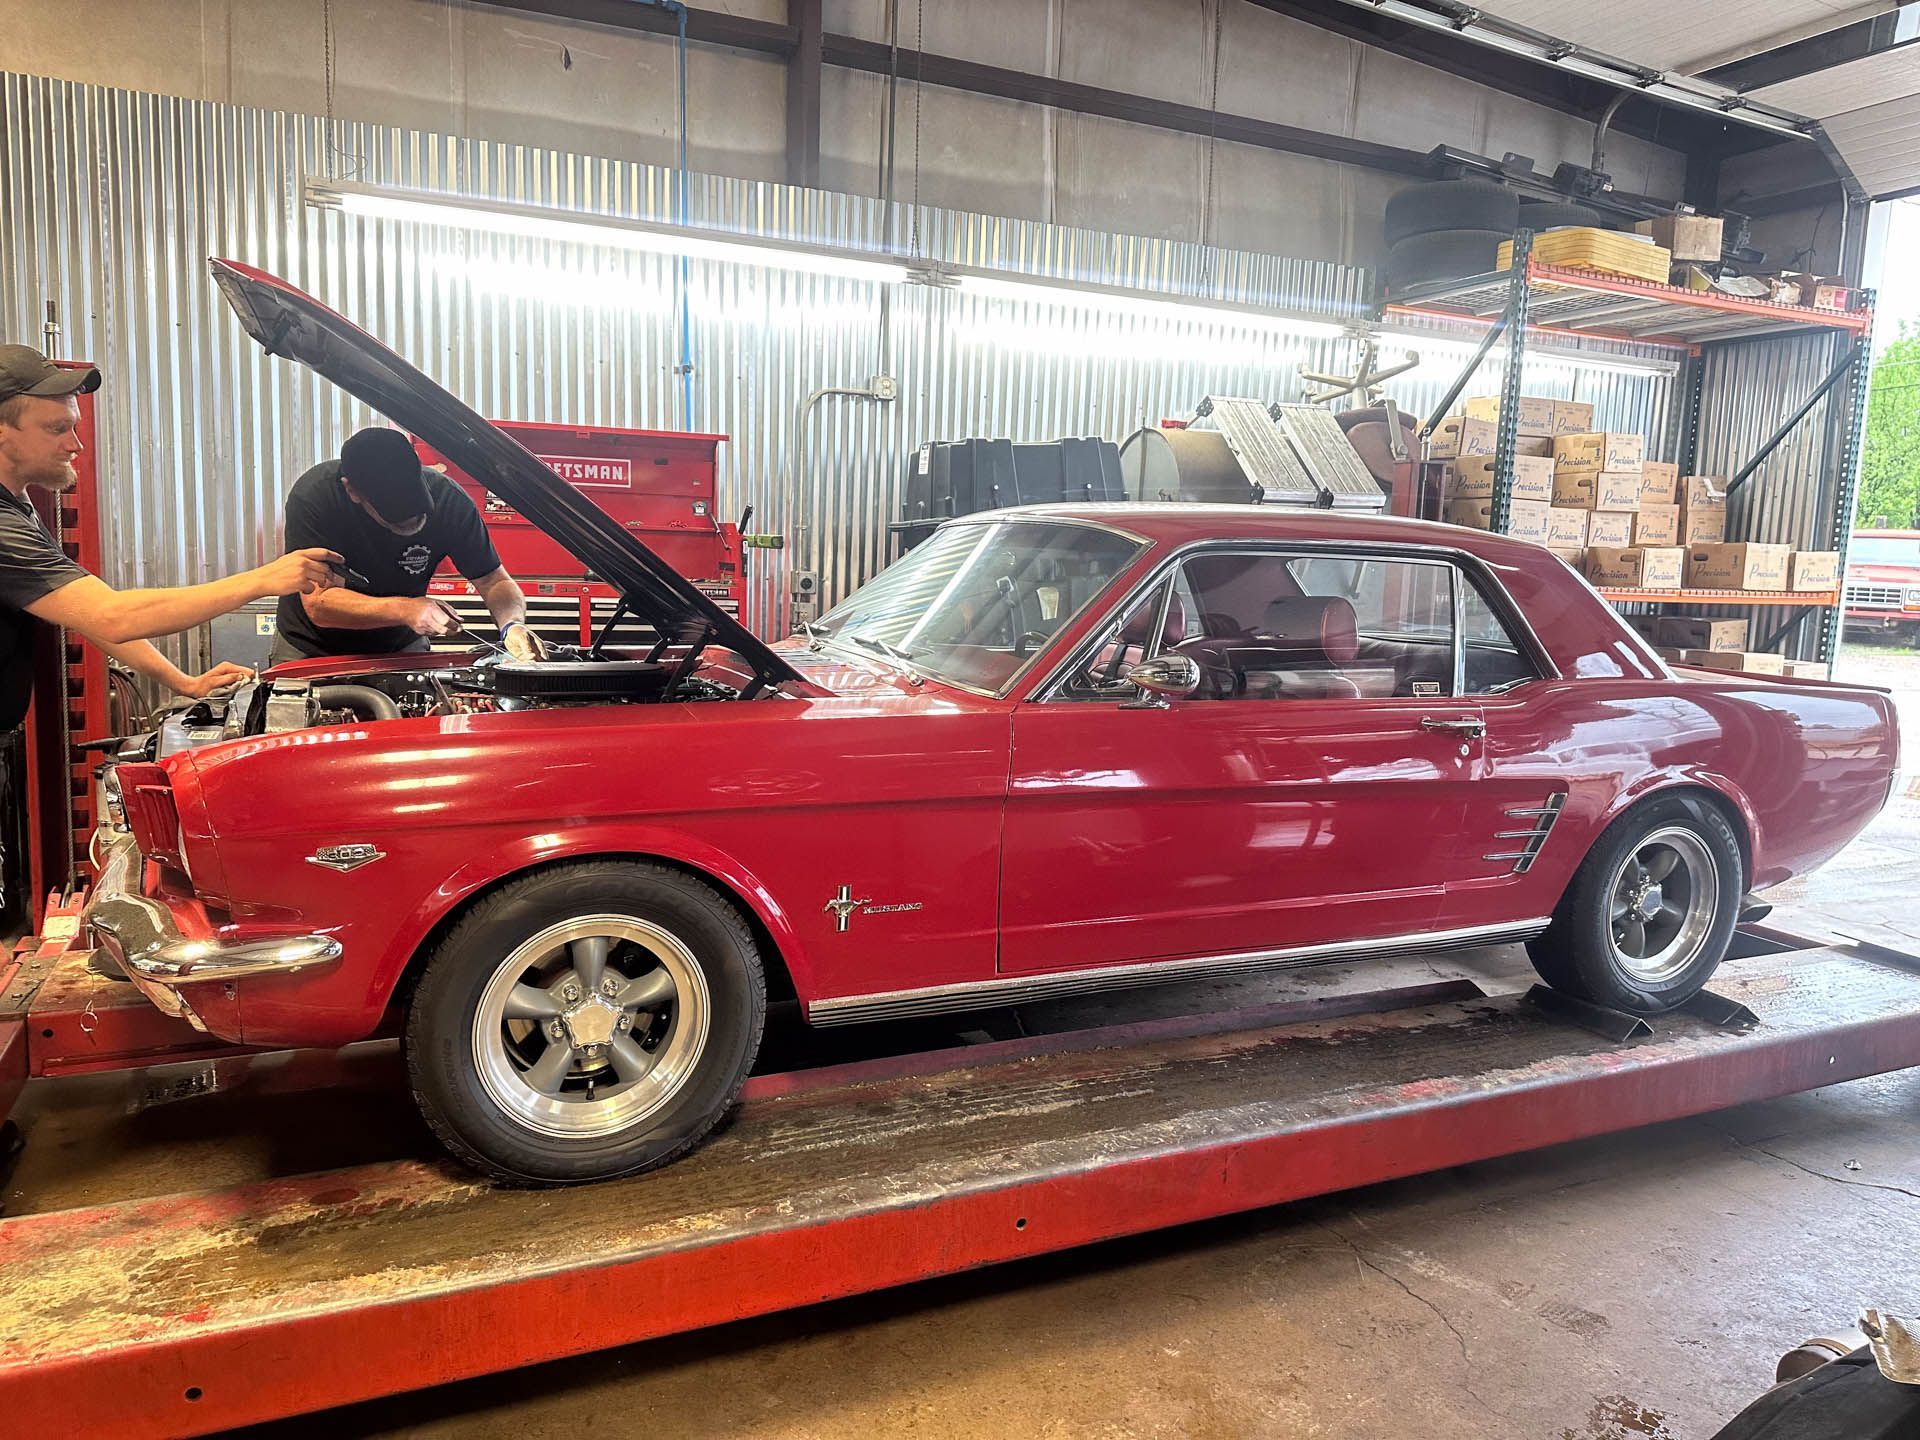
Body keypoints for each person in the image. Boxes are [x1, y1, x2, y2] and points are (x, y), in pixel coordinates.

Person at [0, 344, 342, 732]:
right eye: (56, 429)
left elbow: (90, 614)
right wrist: (263, 579)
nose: (74, 444)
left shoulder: (17, 504)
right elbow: (112, 616)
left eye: (73, 426)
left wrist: (184, 683)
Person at [270, 426, 546, 665]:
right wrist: (407, 609)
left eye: (419, 512)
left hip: (400, 646)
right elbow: (319, 605)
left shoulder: (449, 500)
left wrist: (512, 625)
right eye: (397, 519)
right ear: (352, 490)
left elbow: (493, 581)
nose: (412, 523)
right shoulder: (316, 497)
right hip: (310, 648)